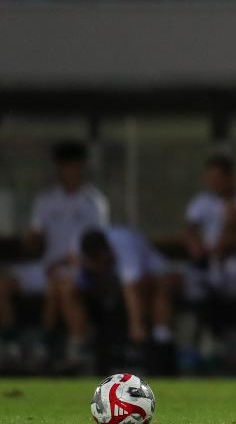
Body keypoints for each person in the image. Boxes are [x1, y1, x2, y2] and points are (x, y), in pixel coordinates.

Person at [25, 141, 109, 369]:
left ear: (82, 168)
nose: (70, 171)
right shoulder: (45, 200)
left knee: (61, 287)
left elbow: (98, 244)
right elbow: (35, 237)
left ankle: (75, 347)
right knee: (4, 284)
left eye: (75, 166)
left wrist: (68, 261)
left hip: (80, 268)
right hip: (48, 267)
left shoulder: (94, 201)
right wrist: (32, 240)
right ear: (58, 168)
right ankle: (11, 345)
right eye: (65, 166)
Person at [181, 154, 236, 329]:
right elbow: (190, 229)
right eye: (209, 179)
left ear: (231, 177)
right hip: (207, 265)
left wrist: (233, 221)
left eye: (217, 179)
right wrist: (196, 246)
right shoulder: (202, 201)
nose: (213, 183)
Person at [78, 226, 178, 374]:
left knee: (160, 287)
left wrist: (136, 326)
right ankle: (82, 346)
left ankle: (160, 345)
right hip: (114, 292)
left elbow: (132, 288)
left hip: (152, 280)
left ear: (106, 251)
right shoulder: (80, 250)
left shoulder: (124, 245)